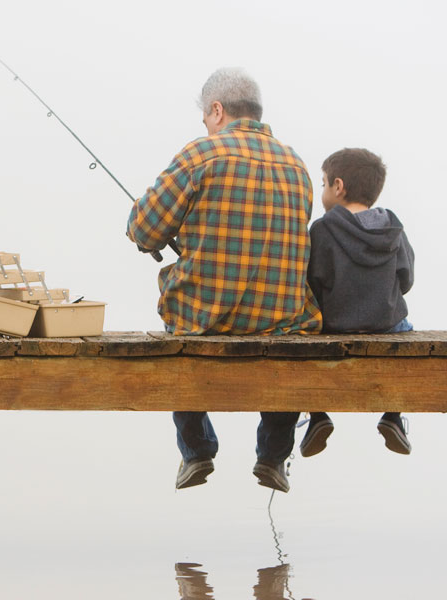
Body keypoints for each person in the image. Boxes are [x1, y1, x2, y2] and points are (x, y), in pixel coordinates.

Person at [126, 68, 321, 493]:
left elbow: (145, 230)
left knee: (176, 327)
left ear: (217, 110)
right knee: (292, 332)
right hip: (280, 322)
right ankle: (272, 455)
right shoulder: (297, 166)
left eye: (205, 117)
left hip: (203, 319)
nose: (205, 126)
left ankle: (196, 450)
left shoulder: (201, 154)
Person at [297, 148, 416, 457]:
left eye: (323, 184)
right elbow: (407, 278)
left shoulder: (322, 230)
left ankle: (317, 415)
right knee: (407, 333)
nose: (322, 191)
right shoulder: (393, 227)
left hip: (335, 326)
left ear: (338, 186)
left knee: (301, 339)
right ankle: (393, 414)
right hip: (386, 325)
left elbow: (312, 282)